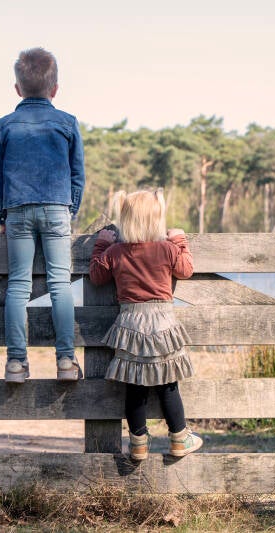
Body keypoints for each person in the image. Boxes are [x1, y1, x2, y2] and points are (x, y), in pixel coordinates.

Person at [0, 47, 85, 383]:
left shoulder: (3, 126)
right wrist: (70, 209)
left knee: (18, 285)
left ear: (17, 88)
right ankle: (65, 362)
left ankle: (16, 363)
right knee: (60, 284)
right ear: (54, 88)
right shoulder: (68, 123)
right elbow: (77, 174)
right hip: (57, 208)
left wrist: (1, 215)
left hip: (17, 211)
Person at [89, 189, 202, 460]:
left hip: (130, 323)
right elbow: (186, 269)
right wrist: (180, 240)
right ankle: (179, 437)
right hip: (163, 323)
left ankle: (138, 442)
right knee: (168, 383)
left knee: (135, 385)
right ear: (156, 221)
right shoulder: (166, 249)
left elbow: (96, 276)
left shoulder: (116, 251)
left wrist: (101, 245)